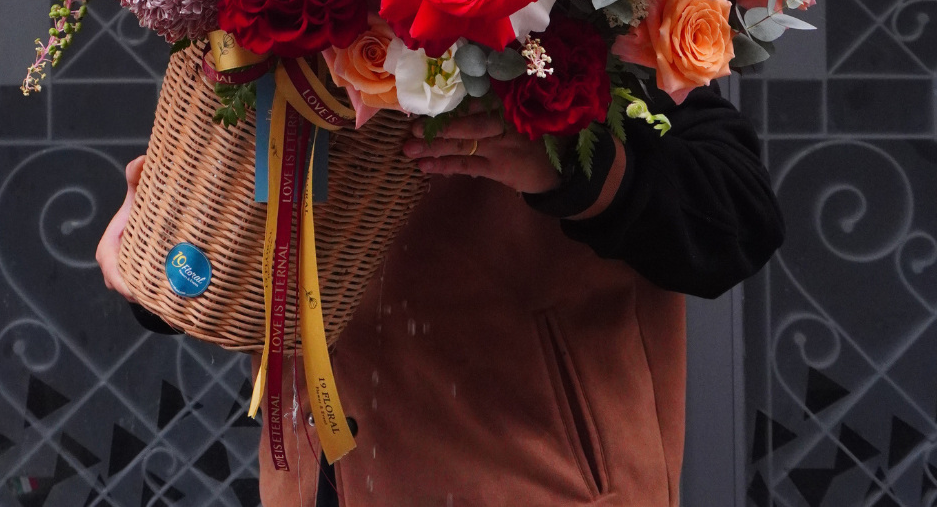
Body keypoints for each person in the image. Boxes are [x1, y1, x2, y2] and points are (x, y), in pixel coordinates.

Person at [97, 82, 783, 507]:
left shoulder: (595, 1)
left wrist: (571, 164)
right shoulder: (290, 9)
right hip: (322, 483)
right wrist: (162, 252)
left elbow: (736, 222)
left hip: (542, 489)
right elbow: (242, 250)